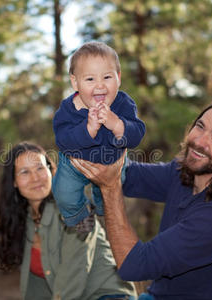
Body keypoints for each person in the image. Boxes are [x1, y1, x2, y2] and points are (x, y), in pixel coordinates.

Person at [71, 98, 212, 299]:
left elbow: (134, 265)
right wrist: (101, 133)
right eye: (200, 126)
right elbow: (129, 175)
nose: (199, 141)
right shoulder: (185, 174)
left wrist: (110, 187)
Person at [0, 141, 137, 300]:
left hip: (107, 295)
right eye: (25, 172)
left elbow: (73, 273)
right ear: (13, 182)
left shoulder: (73, 208)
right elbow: (36, 288)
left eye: (40, 168)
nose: (35, 178)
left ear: (50, 170)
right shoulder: (24, 222)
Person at [53, 41, 146, 233]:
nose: (100, 86)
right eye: (90, 79)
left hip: (110, 161)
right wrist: (88, 130)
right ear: (75, 82)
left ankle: (103, 210)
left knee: (112, 191)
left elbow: (136, 134)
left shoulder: (123, 104)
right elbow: (62, 140)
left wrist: (117, 124)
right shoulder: (68, 109)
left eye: (107, 77)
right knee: (63, 193)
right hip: (74, 163)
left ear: (118, 78)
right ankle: (79, 216)